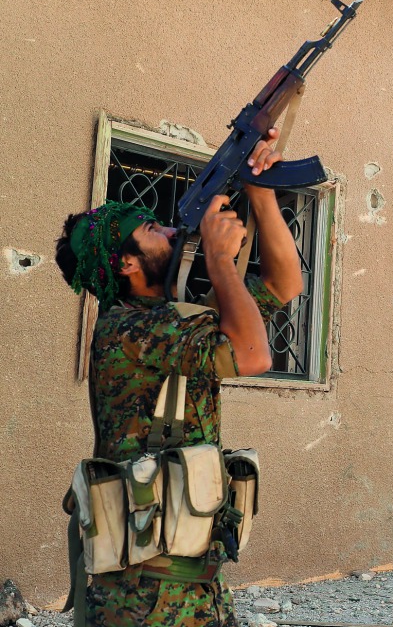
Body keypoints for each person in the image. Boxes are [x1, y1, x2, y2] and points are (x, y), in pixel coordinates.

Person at [54, 129, 302, 626]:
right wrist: (219, 261)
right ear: (126, 263)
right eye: (152, 231)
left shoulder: (170, 321)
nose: (171, 231)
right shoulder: (129, 328)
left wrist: (260, 191)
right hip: (145, 600)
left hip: (189, 585)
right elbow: (252, 355)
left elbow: (283, 284)